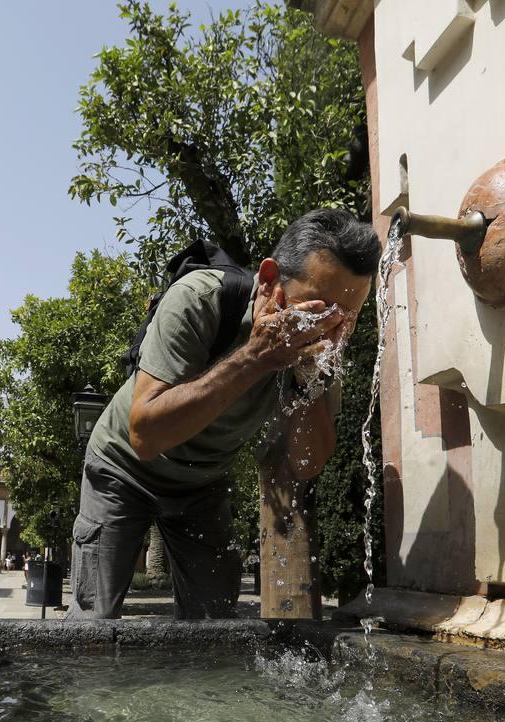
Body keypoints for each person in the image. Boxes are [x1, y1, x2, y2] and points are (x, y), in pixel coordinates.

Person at [67, 208, 381, 621]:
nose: (326, 329)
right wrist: (254, 358)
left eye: (346, 317)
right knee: (91, 623)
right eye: (316, 310)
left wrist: (308, 383)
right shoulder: (199, 299)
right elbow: (145, 435)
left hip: (203, 483)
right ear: (269, 281)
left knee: (214, 626)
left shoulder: (322, 350)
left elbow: (306, 463)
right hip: (122, 468)